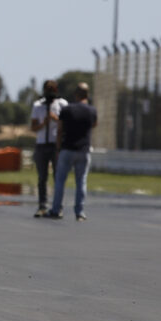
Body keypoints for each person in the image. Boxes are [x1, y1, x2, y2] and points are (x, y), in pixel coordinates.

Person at [45, 83, 98, 221]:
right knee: (81, 181)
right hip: (84, 150)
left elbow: (60, 130)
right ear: (87, 95)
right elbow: (94, 125)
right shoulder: (92, 111)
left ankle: (56, 209)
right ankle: (80, 212)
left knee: (60, 180)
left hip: (67, 149)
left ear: (76, 94)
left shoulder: (67, 110)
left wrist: (57, 148)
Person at [30, 79, 68, 218]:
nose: (49, 92)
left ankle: (58, 206)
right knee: (42, 177)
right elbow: (33, 127)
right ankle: (42, 206)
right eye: (47, 89)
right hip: (41, 145)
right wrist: (43, 123)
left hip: (56, 145)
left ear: (56, 90)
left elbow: (67, 124)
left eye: (52, 89)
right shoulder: (37, 105)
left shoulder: (62, 104)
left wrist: (55, 119)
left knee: (58, 177)